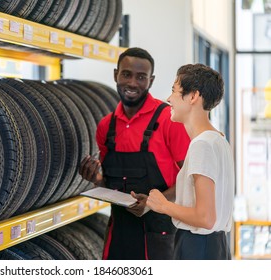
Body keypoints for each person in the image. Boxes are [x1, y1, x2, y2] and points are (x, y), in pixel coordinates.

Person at [79, 47, 190, 260]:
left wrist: (151, 203)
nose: (132, 83)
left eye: (141, 77)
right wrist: (97, 179)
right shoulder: (106, 127)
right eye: (126, 74)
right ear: (115, 75)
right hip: (119, 233)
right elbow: (111, 185)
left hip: (160, 235)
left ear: (151, 80)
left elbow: (190, 178)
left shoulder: (168, 119)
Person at [142, 63, 235, 260]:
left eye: (174, 91)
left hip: (197, 247)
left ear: (193, 96)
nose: (169, 99)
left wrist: (162, 205)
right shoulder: (218, 139)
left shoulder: (201, 145)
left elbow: (205, 218)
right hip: (215, 246)